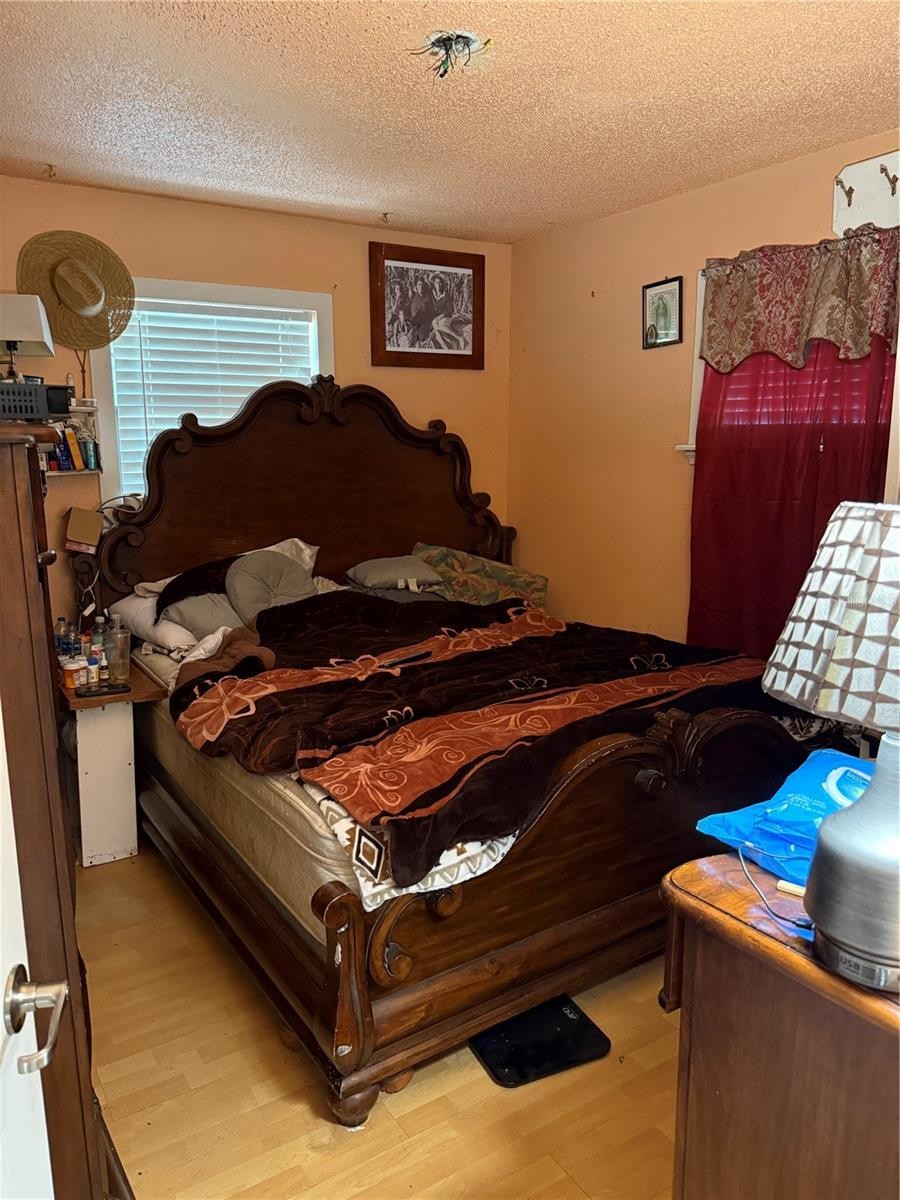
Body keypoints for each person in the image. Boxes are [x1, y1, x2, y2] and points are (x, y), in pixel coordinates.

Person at [410, 277, 434, 346]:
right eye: (419, 284)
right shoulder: (413, 299)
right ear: (416, 286)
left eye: (422, 285)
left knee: (422, 335)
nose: (421, 287)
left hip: (426, 323)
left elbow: (431, 311)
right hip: (416, 323)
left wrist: (431, 322)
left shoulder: (427, 297)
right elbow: (412, 315)